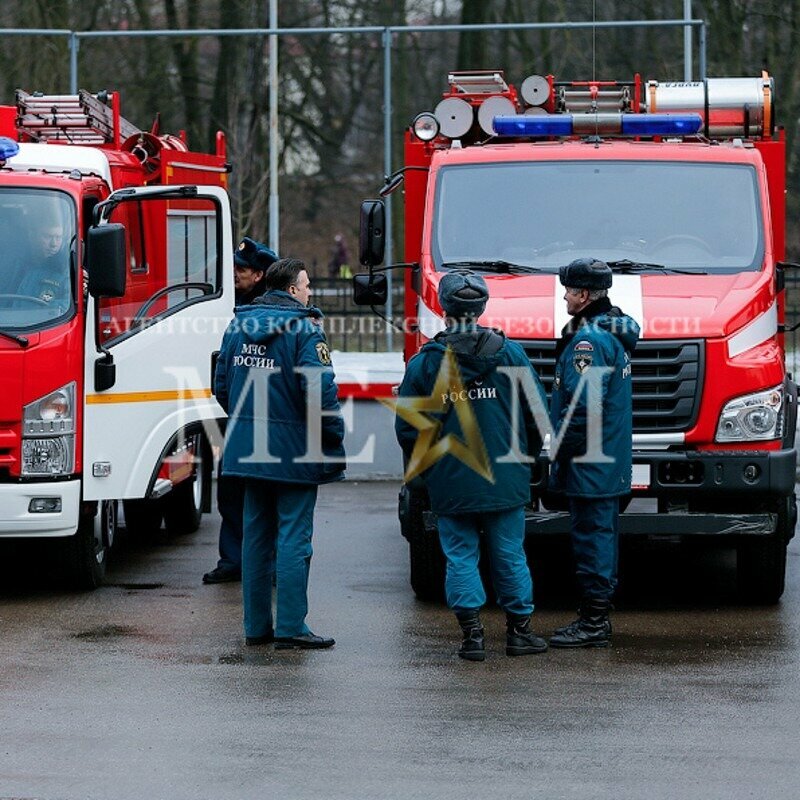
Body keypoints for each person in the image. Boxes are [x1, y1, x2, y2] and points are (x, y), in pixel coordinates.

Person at [395, 269, 549, 662]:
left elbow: (410, 428)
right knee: (510, 554)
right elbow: (537, 413)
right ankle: (519, 633)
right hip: (505, 475)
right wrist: (527, 459)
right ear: (481, 308)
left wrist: (428, 472)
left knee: (460, 555)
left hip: (451, 476)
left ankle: (472, 637)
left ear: (444, 310)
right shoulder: (510, 353)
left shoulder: (426, 362)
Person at [214, 257, 345, 649]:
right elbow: (317, 394)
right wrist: (333, 434)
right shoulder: (306, 331)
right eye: (305, 286)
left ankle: (256, 628)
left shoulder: (238, 326)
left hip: (247, 451)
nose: (309, 292)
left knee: (255, 536)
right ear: (292, 290)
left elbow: (222, 386)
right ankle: (290, 627)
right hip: (294, 453)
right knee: (293, 538)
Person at [548, 257, 640, 648]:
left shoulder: (589, 341)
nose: (565, 297)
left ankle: (594, 624)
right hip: (604, 460)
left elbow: (585, 409)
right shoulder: (611, 330)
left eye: (568, 290)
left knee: (593, 539)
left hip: (590, 463)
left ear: (583, 295)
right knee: (599, 535)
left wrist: (560, 454)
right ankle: (595, 620)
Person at [203, 237, 278, 584]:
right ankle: (236, 561)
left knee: (265, 494)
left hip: (258, 418)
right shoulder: (226, 305)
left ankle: (258, 563)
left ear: (260, 275)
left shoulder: (264, 313)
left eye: (242, 269)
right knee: (231, 491)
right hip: (240, 416)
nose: (234, 274)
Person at [16, 220, 71, 312]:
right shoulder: (15, 265)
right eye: (47, 236)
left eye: (58, 238)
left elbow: (67, 307)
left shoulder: (67, 270)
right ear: (33, 236)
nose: (53, 244)